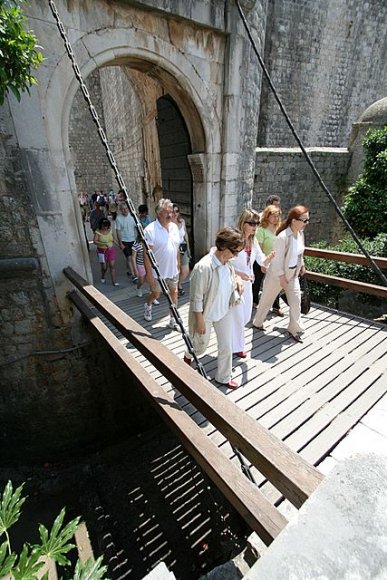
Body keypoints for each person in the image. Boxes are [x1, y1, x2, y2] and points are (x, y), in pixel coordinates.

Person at [183, 227, 245, 389]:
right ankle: (188, 355)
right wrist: (200, 321)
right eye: (235, 251)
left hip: (223, 311)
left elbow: (230, 277)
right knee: (200, 346)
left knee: (227, 345)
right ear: (224, 247)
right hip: (206, 314)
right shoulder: (203, 267)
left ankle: (223, 377)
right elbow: (195, 298)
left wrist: (237, 280)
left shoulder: (227, 262)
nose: (236, 256)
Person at [253, 205, 309, 343]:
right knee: (266, 300)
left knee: (296, 303)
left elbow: (299, 253)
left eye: (307, 220)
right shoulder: (282, 237)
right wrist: (282, 278)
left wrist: (302, 265)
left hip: (293, 275)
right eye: (304, 220)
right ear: (294, 221)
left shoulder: (300, 234)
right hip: (277, 275)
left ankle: (294, 329)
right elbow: (277, 261)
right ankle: (258, 322)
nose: (306, 223)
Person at [231, 209, 275, 358]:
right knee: (237, 316)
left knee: (245, 316)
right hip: (234, 283)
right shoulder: (235, 239)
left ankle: (235, 345)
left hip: (248, 283)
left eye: (257, 223)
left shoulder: (253, 240)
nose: (255, 226)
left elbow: (261, 260)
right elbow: (225, 263)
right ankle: (236, 347)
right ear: (244, 223)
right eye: (252, 223)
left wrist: (270, 257)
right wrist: (238, 274)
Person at [143, 198, 180, 329]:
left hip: (173, 271)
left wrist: (178, 266)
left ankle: (172, 319)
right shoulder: (150, 230)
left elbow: (176, 250)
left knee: (174, 293)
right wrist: (149, 274)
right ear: (159, 213)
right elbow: (147, 254)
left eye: (171, 211)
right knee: (156, 294)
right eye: (166, 212)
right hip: (157, 273)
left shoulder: (175, 227)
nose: (170, 215)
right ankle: (148, 304)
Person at [253, 204, 283, 314]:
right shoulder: (261, 230)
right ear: (267, 216)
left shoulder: (280, 229)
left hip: (276, 261)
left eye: (278, 216)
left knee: (276, 283)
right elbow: (259, 248)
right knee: (257, 281)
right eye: (274, 216)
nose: (276, 218)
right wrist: (263, 263)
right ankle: (255, 301)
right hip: (263, 259)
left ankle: (276, 306)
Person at [115, 202, 137, 281]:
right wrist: (120, 243)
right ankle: (134, 275)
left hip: (133, 239)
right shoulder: (118, 218)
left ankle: (132, 271)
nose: (125, 210)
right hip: (124, 240)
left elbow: (137, 226)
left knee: (134, 257)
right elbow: (118, 231)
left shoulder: (132, 216)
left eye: (126, 208)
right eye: (123, 209)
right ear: (120, 210)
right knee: (129, 257)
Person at [93, 217, 119, 286]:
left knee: (112, 265)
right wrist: (103, 244)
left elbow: (113, 239)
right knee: (104, 267)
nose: (105, 227)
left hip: (110, 250)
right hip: (101, 251)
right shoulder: (97, 232)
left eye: (107, 226)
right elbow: (95, 241)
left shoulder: (110, 230)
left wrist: (119, 245)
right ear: (101, 225)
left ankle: (114, 281)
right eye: (104, 226)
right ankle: (103, 276)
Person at [171, 204, 190, 296]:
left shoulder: (182, 221)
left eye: (177, 211)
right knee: (176, 269)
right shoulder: (168, 223)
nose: (175, 213)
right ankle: (175, 288)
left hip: (183, 246)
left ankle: (179, 284)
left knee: (185, 270)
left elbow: (185, 233)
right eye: (173, 211)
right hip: (174, 248)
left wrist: (188, 246)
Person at [132, 231, 146, 297]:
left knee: (152, 280)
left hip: (149, 264)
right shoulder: (136, 243)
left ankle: (153, 296)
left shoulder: (149, 241)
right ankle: (139, 288)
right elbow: (133, 257)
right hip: (141, 264)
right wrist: (135, 269)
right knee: (141, 281)